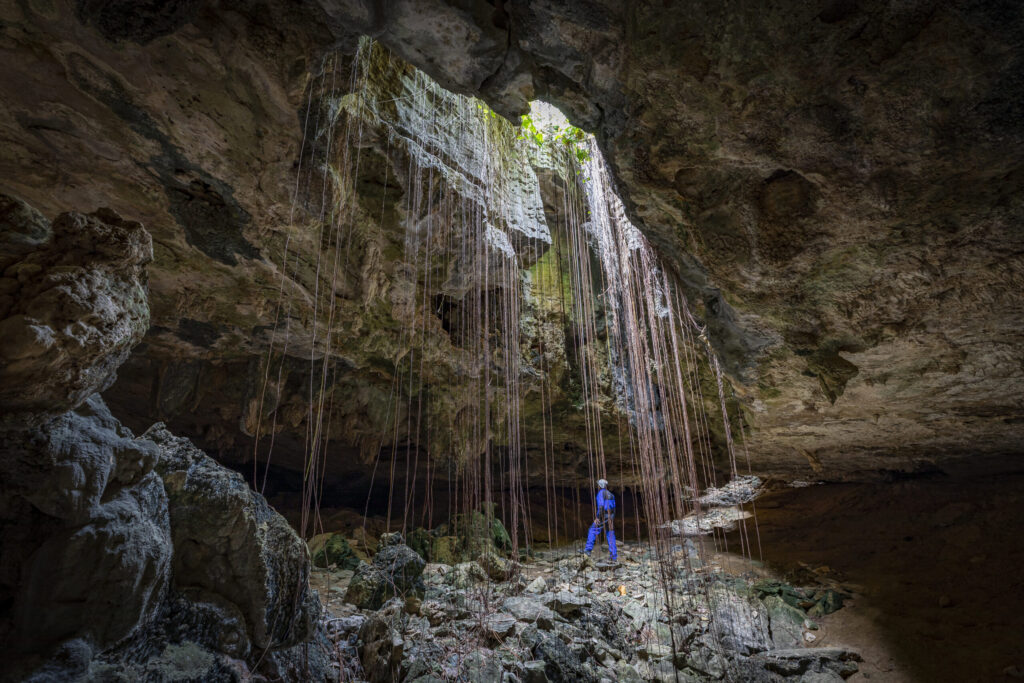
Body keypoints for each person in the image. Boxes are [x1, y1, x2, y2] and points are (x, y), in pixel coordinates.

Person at [583, 478, 617, 561]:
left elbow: (601, 506)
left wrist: (598, 517)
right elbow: (614, 508)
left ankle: (588, 550)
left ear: (600, 485)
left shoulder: (601, 493)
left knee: (592, 529)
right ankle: (613, 556)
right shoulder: (611, 494)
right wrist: (612, 518)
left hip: (603, 516)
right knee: (610, 534)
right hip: (610, 517)